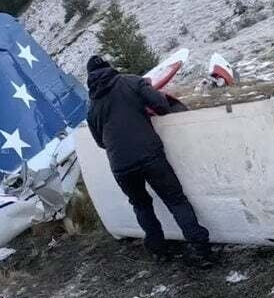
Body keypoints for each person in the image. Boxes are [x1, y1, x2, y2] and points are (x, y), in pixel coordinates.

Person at [86, 56, 212, 265]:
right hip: (149, 154)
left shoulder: (92, 107)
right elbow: (161, 104)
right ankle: (201, 250)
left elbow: (100, 142)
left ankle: (158, 252)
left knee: (141, 205)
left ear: (90, 78)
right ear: (110, 68)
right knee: (175, 200)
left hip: (120, 165)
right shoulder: (131, 81)